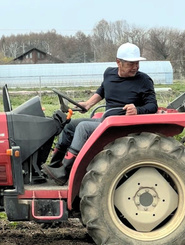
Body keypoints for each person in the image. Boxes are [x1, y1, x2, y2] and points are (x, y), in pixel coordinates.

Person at [42, 42, 158, 185]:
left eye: (137, 63)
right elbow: (102, 91)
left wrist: (137, 110)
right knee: (70, 125)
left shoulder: (144, 81)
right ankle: (55, 165)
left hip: (121, 125)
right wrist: (88, 104)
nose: (135, 67)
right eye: (131, 64)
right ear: (118, 62)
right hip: (106, 120)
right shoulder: (109, 73)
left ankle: (65, 172)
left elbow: (152, 106)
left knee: (83, 127)